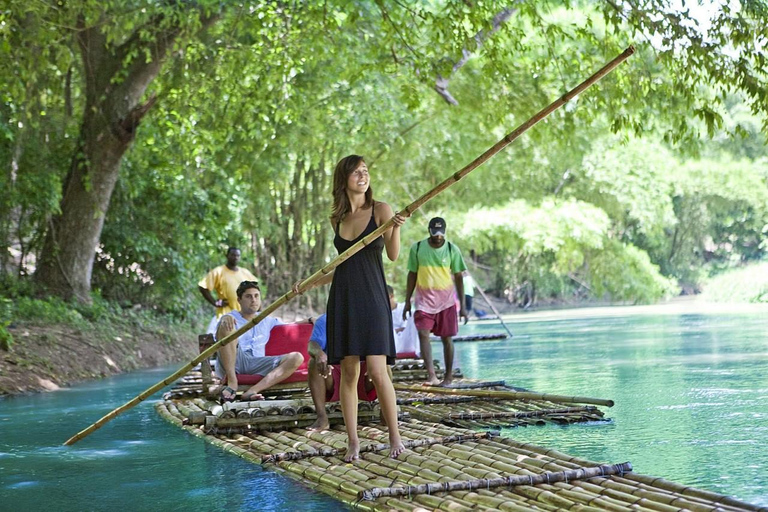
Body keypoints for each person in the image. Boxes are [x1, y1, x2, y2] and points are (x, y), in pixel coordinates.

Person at [303, 154, 407, 462]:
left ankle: (395, 436)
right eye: (356, 172)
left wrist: (395, 227)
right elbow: (343, 268)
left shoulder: (381, 210)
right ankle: (353, 441)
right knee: (348, 371)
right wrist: (310, 283)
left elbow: (392, 255)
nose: (363, 175)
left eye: (365, 171)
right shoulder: (337, 219)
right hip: (344, 300)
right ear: (343, 179)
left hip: (373, 299)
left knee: (377, 370)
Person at [215, 280, 305, 402]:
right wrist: (225, 318)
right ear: (239, 300)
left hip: (257, 362)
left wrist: (310, 320)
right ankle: (232, 382)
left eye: (256, 296)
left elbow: (291, 325)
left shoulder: (267, 319)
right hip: (234, 359)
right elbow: (221, 333)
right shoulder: (231, 317)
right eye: (248, 296)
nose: (253, 300)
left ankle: (252, 391)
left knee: (297, 357)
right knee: (226, 326)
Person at [403, 217, 468, 387]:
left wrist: (463, 307)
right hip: (423, 301)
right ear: (429, 231)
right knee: (423, 334)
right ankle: (431, 375)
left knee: (447, 338)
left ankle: (448, 377)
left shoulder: (452, 250)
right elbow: (412, 274)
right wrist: (407, 301)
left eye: (441, 232)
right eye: (434, 232)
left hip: (446, 302)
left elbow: (459, 277)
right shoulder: (417, 248)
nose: (438, 235)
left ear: (445, 231)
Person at [306, 314, 377, 431]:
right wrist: (319, 353)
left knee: (383, 366)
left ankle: (386, 415)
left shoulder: (369, 316)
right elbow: (312, 345)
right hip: (334, 372)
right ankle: (322, 418)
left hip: (364, 373)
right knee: (314, 362)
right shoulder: (325, 319)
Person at [198, 247, 258, 332]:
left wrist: (257, 309)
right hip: (225, 314)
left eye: (238, 255)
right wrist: (215, 302)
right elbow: (203, 286)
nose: (235, 257)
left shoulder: (245, 273)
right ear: (227, 256)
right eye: (233, 255)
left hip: (243, 315)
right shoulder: (219, 271)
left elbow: (256, 291)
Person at [387, 285, 420, 357]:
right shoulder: (381, 312)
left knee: (415, 316)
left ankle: (419, 352)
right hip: (392, 344)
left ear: (391, 296)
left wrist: (396, 330)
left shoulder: (403, 307)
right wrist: (396, 330)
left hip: (407, 341)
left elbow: (408, 328)